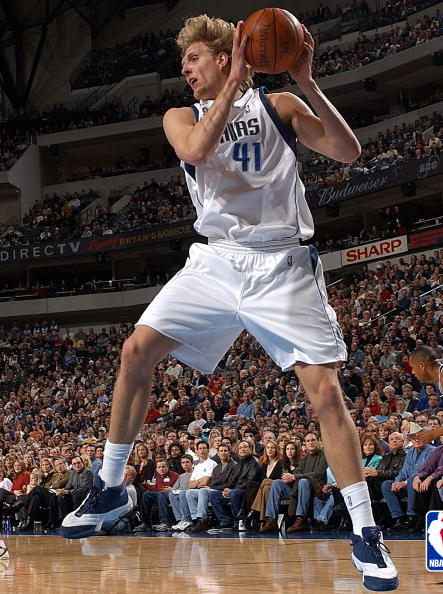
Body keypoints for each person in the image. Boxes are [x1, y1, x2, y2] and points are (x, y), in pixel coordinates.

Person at [60, 14, 398, 591]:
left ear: (223, 57)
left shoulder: (280, 106)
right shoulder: (180, 117)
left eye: (194, 58)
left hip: (282, 263)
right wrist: (237, 79)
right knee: (135, 350)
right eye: (183, 62)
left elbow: (348, 151)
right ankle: (112, 486)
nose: (186, 70)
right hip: (215, 262)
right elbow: (196, 151)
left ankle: (366, 533)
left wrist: (307, 81)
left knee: (324, 393)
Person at [381, 428, 435, 530]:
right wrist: (397, 482)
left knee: (412, 480)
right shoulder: (410, 451)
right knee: (386, 485)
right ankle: (399, 518)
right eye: (414, 438)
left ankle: (412, 517)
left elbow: (424, 472)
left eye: (420, 437)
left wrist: (405, 483)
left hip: (422, 484)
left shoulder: (432, 450)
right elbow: (403, 471)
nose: (416, 440)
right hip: (407, 485)